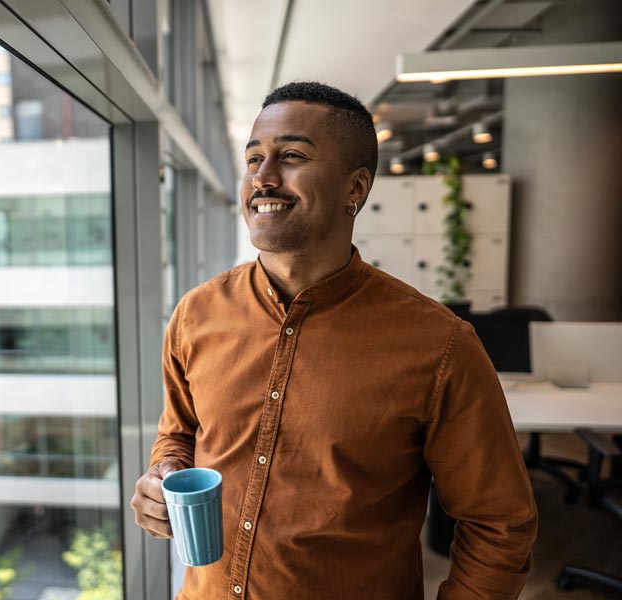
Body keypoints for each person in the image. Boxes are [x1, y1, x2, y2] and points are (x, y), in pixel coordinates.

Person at [130, 81, 537, 599]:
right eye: (254, 158)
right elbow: (179, 433)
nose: (263, 177)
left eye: (292, 156)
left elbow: (499, 522)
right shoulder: (196, 314)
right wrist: (162, 475)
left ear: (355, 188)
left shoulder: (440, 346)